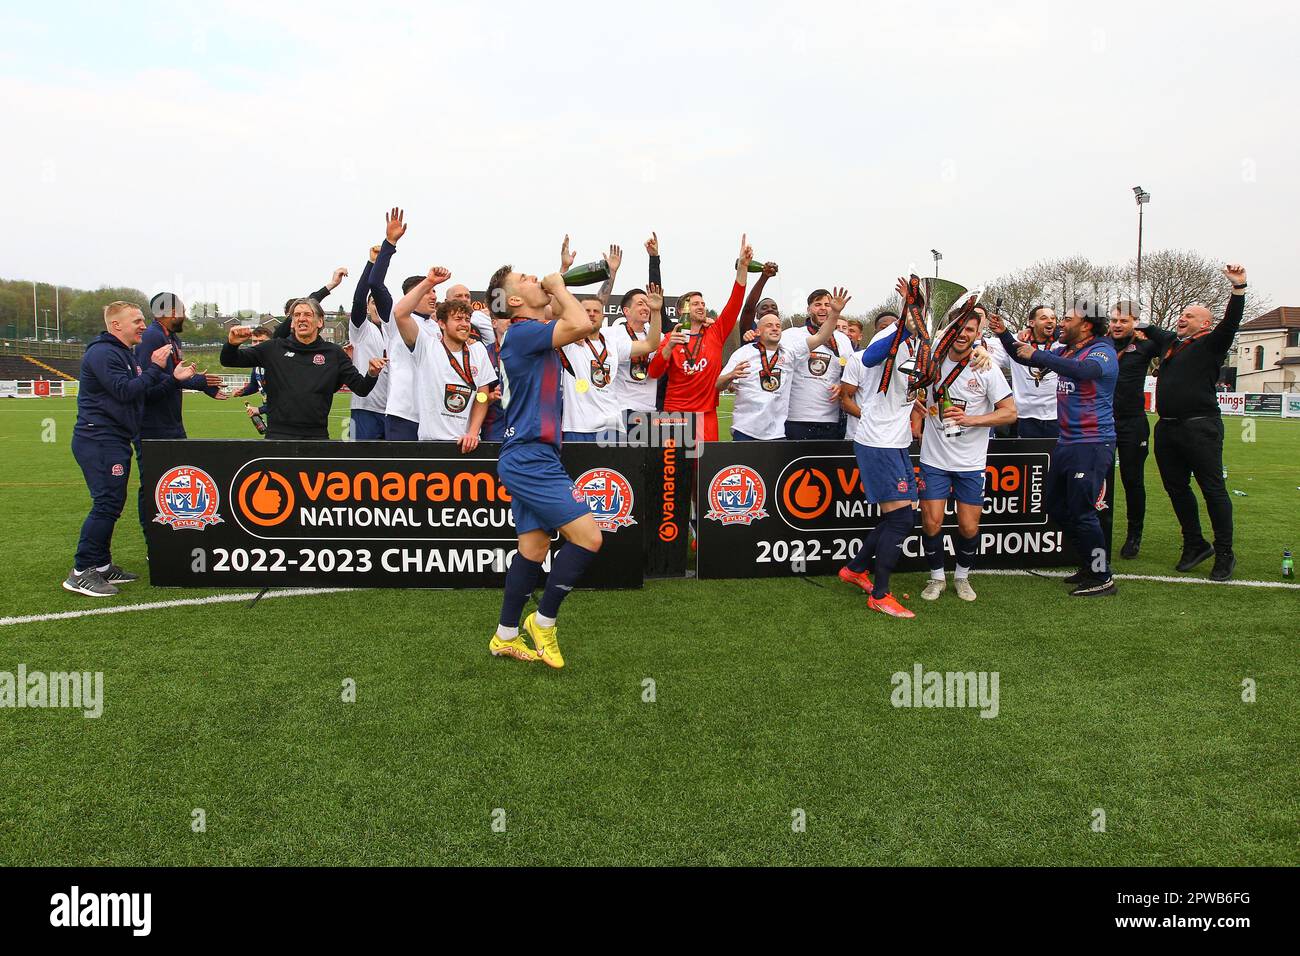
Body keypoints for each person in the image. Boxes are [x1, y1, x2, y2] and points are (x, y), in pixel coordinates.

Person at [484, 264, 604, 668]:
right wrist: (555, 284)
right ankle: (543, 620)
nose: (535, 278)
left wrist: (558, 282)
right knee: (589, 538)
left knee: (533, 548)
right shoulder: (522, 333)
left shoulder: (529, 333)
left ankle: (504, 636)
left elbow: (561, 314)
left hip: (531, 453)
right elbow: (581, 323)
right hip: (530, 455)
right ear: (514, 301)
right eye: (525, 280)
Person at [66, 301, 197, 597]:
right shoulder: (102, 353)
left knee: (112, 502)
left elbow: (143, 393)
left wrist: (172, 380)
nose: (143, 325)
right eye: (136, 321)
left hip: (113, 438)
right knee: (107, 503)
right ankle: (81, 570)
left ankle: (100, 564)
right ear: (116, 325)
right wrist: (154, 368)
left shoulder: (122, 353)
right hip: (99, 438)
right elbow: (125, 391)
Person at [1004, 301, 1120, 597]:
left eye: (1067, 319)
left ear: (1087, 325)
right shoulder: (1066, 351)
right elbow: (1027, 359)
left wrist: (1039, 354)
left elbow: (1084, 371)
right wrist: (1004, 333)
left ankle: (1102, 575)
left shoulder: (1102, 351)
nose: (1061, 324)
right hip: (1067, 442)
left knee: (1083, 510)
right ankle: (1088, 564)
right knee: (1055, 505)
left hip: (1092, 443)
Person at [837, 279, 928, 618]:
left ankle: (855, 569)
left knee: (898, 516)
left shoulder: (920, 344)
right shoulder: (888, 336)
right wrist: (903, 322)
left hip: (897, 440)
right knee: (902, 519)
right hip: (878, 441)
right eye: (917, 312)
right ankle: (880, 593)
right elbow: (873, 357)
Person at [913, 311, 1017, 602]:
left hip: (970, 462)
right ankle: (936, 578)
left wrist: (970, 420)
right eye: (959, 328)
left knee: (968, 526)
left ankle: (961, 576)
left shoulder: (985, 366)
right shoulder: (932, 359)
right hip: (934, 458)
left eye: (970, 330)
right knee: (931, 522)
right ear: (949, 329)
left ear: (977, 333)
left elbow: (1010, 412)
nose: (963, 334)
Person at [1153, 264, 1248, 581]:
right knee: (1176, 487)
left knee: (1212, 489)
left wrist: (1238, 288)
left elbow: (1231, 322)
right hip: (1166, 428)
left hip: (1200, 427)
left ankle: (1224, 553)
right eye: (1181, 314)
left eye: (1189, 316)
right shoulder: (1171, 343)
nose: (1182, 318)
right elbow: (1146, 329)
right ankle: (1194, 543)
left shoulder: (1212, 343)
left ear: (1205, 324)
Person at [221, 298, 386, 440]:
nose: (301, 319)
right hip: (278, 435)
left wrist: (372, 373)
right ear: (292, 322)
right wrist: (232, 344)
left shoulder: (334, 353)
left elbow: (361, 388)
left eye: (307, 314)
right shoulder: (273, 348)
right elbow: (229, 360)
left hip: (316, 436)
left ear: (320, 321)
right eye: (297, 315)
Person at [647, 234, 753, 443]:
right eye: (695, 303)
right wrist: (668, 348)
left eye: (702, 303)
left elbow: (735, 303)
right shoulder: (670, 337)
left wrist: (742, 267)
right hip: (674, 415)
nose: (701, 306)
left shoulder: (715, 332)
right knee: (673, 473)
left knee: (706, 471)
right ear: (681, 310)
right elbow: (653, 372)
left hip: (707, 414)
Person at [135, 292, 227, 533]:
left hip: (171, 422)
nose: (185, 315)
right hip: (152, 425)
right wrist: (194, 382)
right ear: (170, 312)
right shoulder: (152, 338)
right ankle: (152, 540)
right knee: (152, 482)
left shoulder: (171, 338)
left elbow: (176, 377)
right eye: (183, 311)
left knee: (172, 479)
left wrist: (203, 385)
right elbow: (149, 385)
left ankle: (170, 533)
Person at [719, 288, 845, 440]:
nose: (774, 328)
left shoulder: (790, 352)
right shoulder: (743, 353)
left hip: (777, 434)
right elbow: (718, 385)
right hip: (746, 431)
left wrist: (835, 313)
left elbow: (820, 336)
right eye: (769, 325)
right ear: (757, 331)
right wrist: (730, 376)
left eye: (778, 326)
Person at [1108, 299, 1175, 558]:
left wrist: (1148, 327)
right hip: (1102, 421)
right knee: (1097, 480)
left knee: (1132, 480)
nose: (1117, 325)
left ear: (1135, 322)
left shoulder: (1146, 346)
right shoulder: (1100, 344)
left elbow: (1172, 342)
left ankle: (1134, 536)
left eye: (1124, 321)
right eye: (1114, 320)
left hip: (1132, 422)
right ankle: (1098, 531)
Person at [562, 284, 663, 441]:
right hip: (579, 426)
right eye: (586, 311)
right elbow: (554, 309)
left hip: (611, 426)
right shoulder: (569, 342)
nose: (592, 314)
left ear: (603, 316)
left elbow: (650, 345)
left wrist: (656, 311)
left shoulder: (612, 343)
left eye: (596, 311)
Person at [395, 291, 494, 448]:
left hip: (468, 442)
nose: (464, 323)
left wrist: (473, 433)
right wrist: (429, 281)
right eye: (458, 319)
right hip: (432, 441)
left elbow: (482, 395)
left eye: (467, 319)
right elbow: (400, 313)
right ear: (441, 323)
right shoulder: (426, 346)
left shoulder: (478, 350)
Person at [606, 232, 674, 427]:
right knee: (623, 458)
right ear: (626, 311)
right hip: (621, 410)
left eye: (648, 304)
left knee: (648, 459)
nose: (646, 307)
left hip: (650, 411)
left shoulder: (657, 335)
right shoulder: (614, 334)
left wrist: (654, 259)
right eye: (640, 303)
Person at [782, 289, 856, 440]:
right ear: (808, 309)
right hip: (797, 418)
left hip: (832, 419)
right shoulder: (792, 335)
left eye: (827, 304)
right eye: (817, 304)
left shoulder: (843, 339)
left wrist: (843, 386)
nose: (823, 308)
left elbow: (852, 375)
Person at [986, 305, 1061, 438]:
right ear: (1031, 323)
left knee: (1055, 458)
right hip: (1024, 417)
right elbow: (980, 344)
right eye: (1044, 318)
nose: (1050, 321)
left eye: (1053, 318)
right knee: (1027, 458)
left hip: (1056, 416)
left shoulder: (1062, 344)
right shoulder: (1015, 340)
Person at [346, 242, 393, 441]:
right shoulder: (363, 330)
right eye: (372, 303)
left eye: (379, 303)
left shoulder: (396, 332)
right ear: (367, 307)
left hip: (394, 411)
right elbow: (358, 300)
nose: (376, 307)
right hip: (366, 409)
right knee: (360, 464)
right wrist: (372, 263)